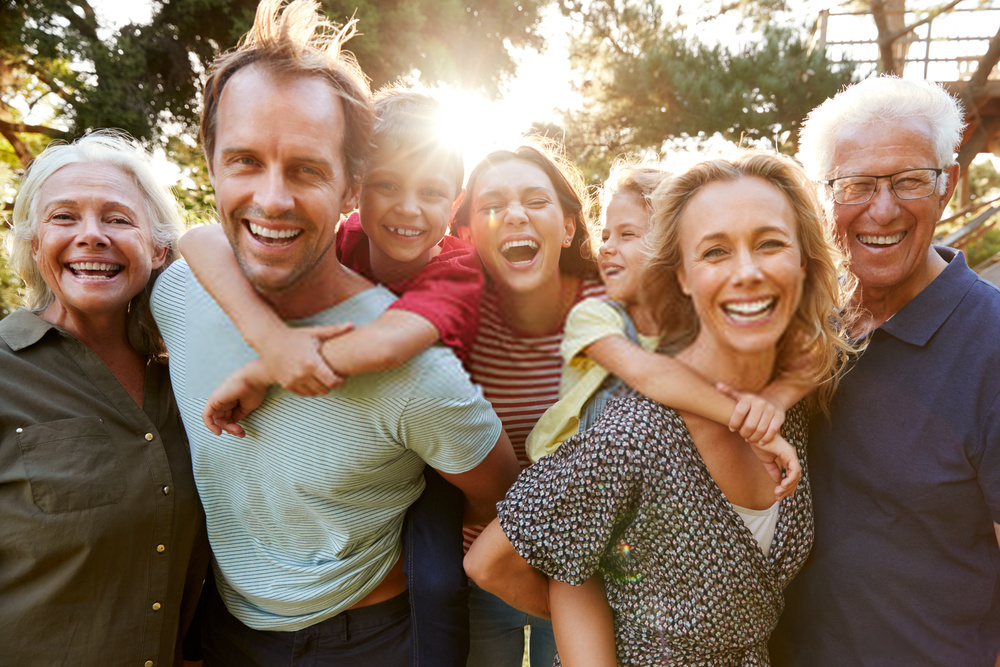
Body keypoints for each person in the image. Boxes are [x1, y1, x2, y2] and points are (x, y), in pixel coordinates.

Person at [149, 1, 520, 664]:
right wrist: (271, 341)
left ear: (349, 185)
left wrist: (278, 365)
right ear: (209, 161)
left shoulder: (418, 358)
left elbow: (496, 486)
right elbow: (196, 240)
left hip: (367, 638)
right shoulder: (176, 291)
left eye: (306, 169)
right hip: (223, 627)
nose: (271, 199)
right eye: (244, 160)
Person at [465, 151, 854, 666]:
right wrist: (621, 636)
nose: (747, 271)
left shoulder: (795, 403)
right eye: (715, 251)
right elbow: (491, 563)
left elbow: (819, 345)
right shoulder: (637, 432)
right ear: (682, 277)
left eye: (770, 243)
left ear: (803, 262)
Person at [771, 77, 1000, 665]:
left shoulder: (993, 343)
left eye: (908, 181)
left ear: (947, 186)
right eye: (856, 184)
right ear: (823, 198)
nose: (882, 208)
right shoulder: (799, 327)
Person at [0, 130, 209, 666]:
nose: (91, 235)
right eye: (64, 217)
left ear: (159, 248)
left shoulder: (188, 377)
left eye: (117, 218)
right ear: (32, 243)